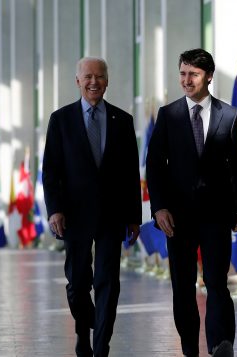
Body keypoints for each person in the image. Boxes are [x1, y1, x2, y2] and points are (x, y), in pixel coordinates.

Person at [146, 48, 237, 357]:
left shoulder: (229, 115)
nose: (186, 80)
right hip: (177, 218)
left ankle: (221, 344)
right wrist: (159, 207)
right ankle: (190, 348)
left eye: (193, 74)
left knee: (217, 282)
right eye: (182, 73)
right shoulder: (168, 115)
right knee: (183, 287)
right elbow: (154, 165)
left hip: (217, 214)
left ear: (208, 77)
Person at [42, 57, 141, 357]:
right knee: (77, 284)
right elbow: (51, 171)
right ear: (77, 81)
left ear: (107, 81)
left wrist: (134, 217)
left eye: (99, 76)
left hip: (112, 215)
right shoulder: (61, 120)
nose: (93, 82)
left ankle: (101, 347)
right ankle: (83, 329)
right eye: (87, 77)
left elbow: (130, 173)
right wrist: (55, 209)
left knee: (108, 281)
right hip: (74, 216)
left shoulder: (123, 121)